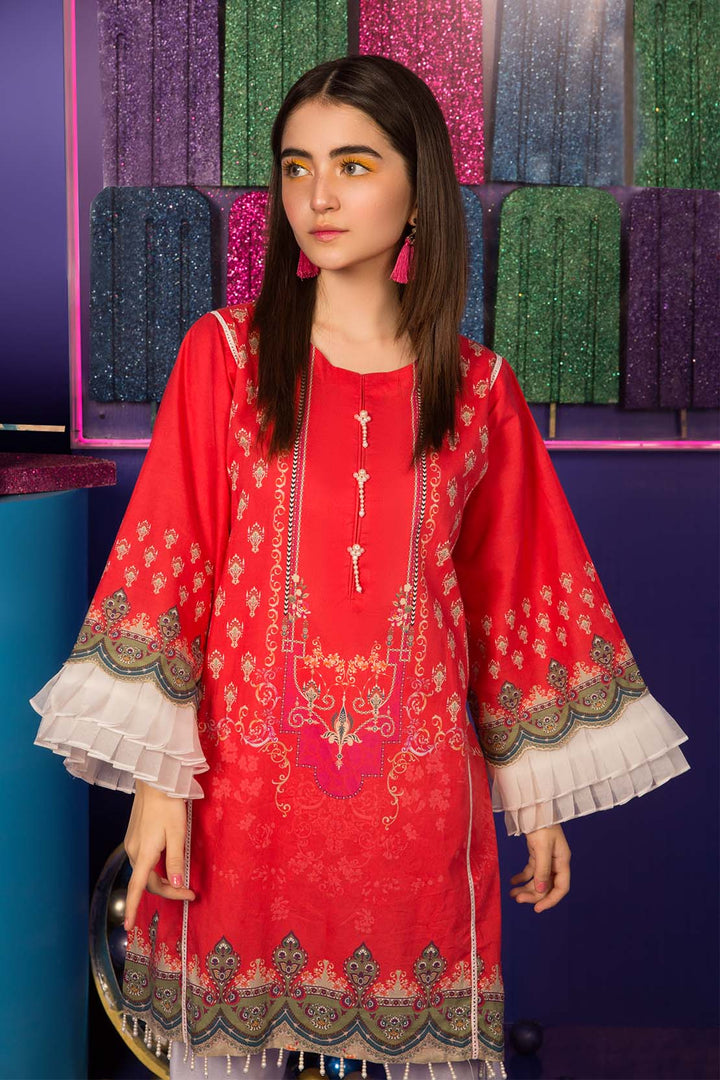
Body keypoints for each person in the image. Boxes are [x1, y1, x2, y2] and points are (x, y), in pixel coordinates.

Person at [30, 55, 690, 1080]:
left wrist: (540, 796)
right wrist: (158, 789)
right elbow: (171, 566)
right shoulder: (226, 357)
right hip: (240, 796)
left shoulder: (480, 391)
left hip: (416, 805)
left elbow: (514, 591)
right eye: (297, 167)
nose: (318, 197)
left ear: (419, 191)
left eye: (352, 164)